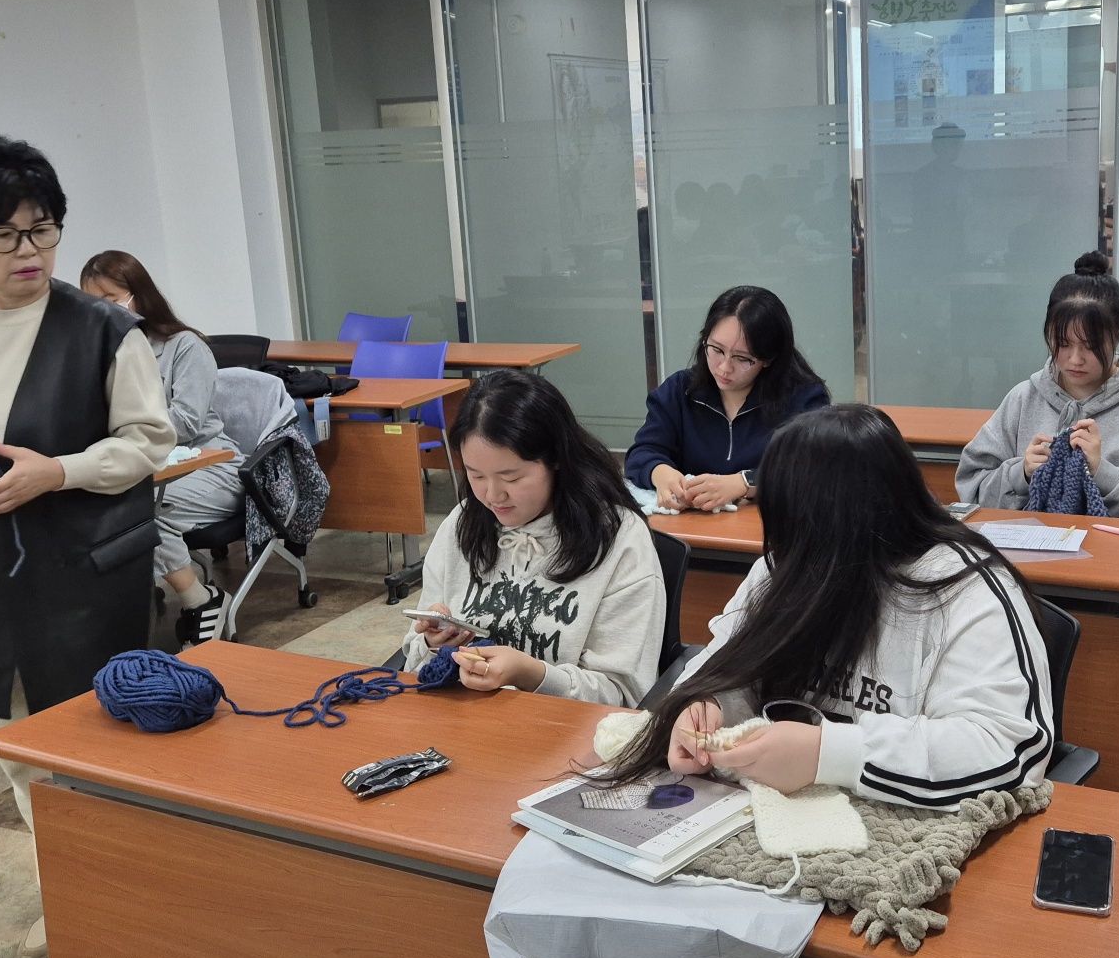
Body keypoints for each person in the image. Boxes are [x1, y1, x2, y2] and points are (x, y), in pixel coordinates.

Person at [608, 405, 1053, 805]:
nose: (781, 549)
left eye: (795, 526)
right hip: (792, 819)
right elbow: (729, 658)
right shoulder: (787, 565)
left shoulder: (966, 590)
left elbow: (1007, 747)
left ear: (846, 523)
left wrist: (829, 753)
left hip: (905, 828)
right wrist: (707, 705)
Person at [0, 138, 174, 958]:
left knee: (95, 739)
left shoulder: (104, 330)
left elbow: (150, 441)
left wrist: (58, 471)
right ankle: (68, 890)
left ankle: (125, 888)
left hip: (84, 571)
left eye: (43, 229)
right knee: (14, 740)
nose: (28, 250)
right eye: (5, 233)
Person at [406, 369, 664, 707]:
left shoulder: (619, 539)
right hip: (461, 718)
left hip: (565, 729)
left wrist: (531, 675)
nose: (492, 495)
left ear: (555, 459)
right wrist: (434, 643)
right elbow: (413, 661)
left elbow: (623, 696)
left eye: (511, 477)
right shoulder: (463, 523)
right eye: (476, 475)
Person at [954, 252, 1119, 520]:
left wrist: (1103, 473)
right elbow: (971, 488)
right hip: (1031, 544)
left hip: (1112, 547)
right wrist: (1021, 474)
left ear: (1116, 336)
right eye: (1063, 344)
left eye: (1090, 346)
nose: (1075, 359)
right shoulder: (1022, 399)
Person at [81, 251, 243, 647]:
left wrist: (123, 429)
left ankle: (202, 600)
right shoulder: (100, 355)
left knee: (140, 514)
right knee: (88, 510)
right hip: (145, 467)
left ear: (138, 296)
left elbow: (185, 422)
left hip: (208, 465)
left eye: (110, 299)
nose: (101, 311)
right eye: (91, 302)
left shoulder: (184, 347)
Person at [625, 285, 829, 512]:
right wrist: (660, 472)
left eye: (742, 358)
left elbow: (814, 468)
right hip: (691, 526)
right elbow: (643, 452)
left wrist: (745, 483)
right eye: (716, 349)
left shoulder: (803, 398)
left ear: (768, 359)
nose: (724, 367)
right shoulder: (679, 390)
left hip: (769, 526)